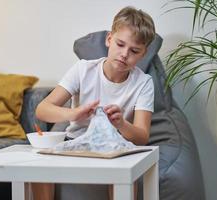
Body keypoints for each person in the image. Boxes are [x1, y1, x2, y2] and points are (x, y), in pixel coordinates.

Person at [33, 6, 155, 200]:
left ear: (143, 54)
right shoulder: (83, 70)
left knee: (124, 167)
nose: (124, 54)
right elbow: (42, 110)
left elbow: (142, 137)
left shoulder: (144, 83)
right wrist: (73, 114)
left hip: (116, 147)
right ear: (109, 39)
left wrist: (121, 123)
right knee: (40, 162)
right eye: (120, 44)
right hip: (76, 142)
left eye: (134, 50)